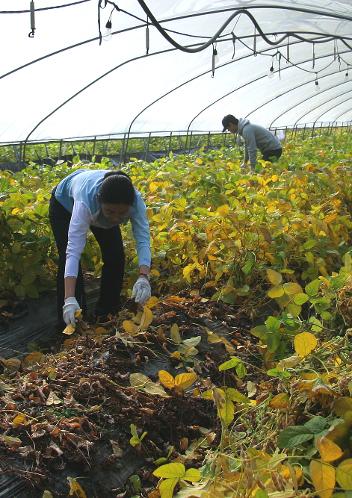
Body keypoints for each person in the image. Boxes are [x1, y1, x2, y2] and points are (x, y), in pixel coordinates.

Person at [49, 169, 151, 328]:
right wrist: (69, 298)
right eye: (111, 211)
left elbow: (143, 239)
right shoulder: (85, 203)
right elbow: (73, 252)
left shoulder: (135, 202)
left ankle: (106, 313)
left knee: (115, 256)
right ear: (99, 201)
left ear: (130, 206)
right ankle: (69, 322)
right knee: (69, 261)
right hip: (64, 204)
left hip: (99, 200)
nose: (116, 218)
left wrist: (144, 276)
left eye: (122, 213)